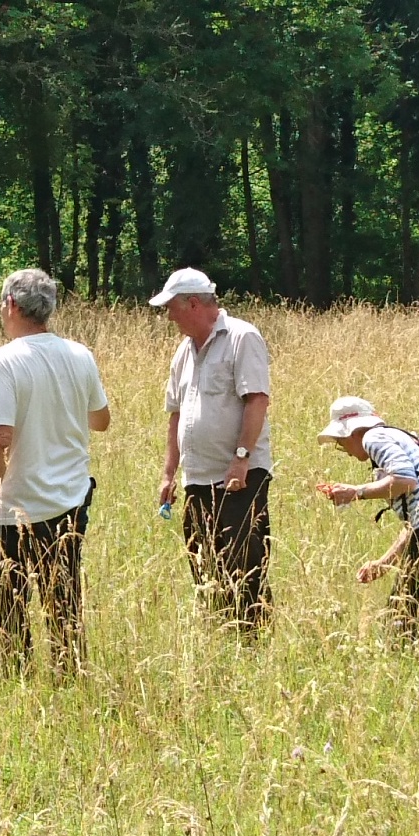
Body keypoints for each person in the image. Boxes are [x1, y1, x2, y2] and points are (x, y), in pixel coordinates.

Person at [0, 269, 110, 677]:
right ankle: (70, 677)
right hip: (70, 500)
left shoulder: (4, 361)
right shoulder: (80, 354)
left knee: (10, 606)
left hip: (17, 506)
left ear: (11, 304)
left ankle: (19, 683)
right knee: (64, 599)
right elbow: (101, 420)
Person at [153, 267, 273, 633]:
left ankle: (252, 643)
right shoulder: (183, 351)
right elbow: (175, 415)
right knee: (205, 566)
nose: (169, 316)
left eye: (172, 307)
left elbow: (257, 400)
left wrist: (240, 460)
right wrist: (169, 473)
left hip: (239, 478)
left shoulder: (242, 337)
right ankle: (219, 635)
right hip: (197, 480)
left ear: (193, 303)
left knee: (244, 565)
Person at [316, 396, 419, 637]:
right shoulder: (398, 438)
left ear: (353, 432)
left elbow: (405, 481)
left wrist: (356, 492)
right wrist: (384, 562)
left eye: (339, 441)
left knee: (402, 622)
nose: (341, 449)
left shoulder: (373, 438)